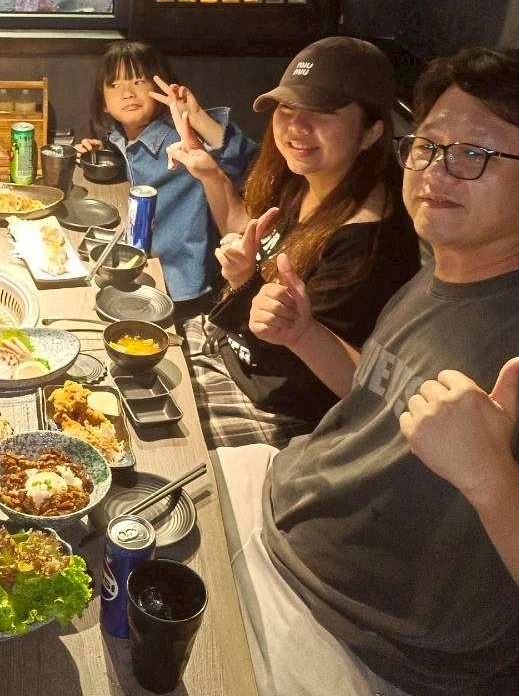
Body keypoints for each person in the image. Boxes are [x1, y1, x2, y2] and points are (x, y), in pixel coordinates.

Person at [214, 46, 519, 696]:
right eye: (429, 146)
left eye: (475, 155)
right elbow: (382, 396)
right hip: (284, 506)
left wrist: (492, 477)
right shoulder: (445, 267)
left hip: (356, 639)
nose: (436, 171)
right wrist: (305, 334)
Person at [168, 36, 420, 446]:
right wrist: (211, 175)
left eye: (322, 112)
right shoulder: (303, 178)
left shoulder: (368, 240)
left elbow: (347, 382)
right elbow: (249, 233)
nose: (297, 126)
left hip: (275, 405)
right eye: (287, 109)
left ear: (371, 132)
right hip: (227, 349)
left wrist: (247, 282)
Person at [75, 40, 257, 323]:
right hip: (138, 267)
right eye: (115, 85)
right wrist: (98, 151)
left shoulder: (181, 137)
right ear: (104, 104)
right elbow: (128, 158)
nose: (127, 93)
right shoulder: (118, 136)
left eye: (139, 81)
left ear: (160, 89)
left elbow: (240, 158)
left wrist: (195, 116)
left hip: (182, 283)